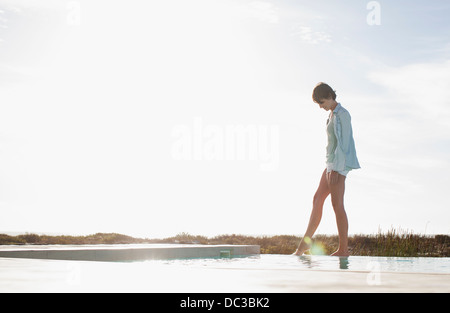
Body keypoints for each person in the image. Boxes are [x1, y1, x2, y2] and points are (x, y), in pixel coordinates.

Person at [294, 82, 361, 257]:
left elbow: (343, 145)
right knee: (317, 199)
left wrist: (336, 170)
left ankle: (343, 249)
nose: (320, 107)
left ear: (330, 96)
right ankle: (304, 245)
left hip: (340, 166)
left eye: (321, 102)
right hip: (331, 164)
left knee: (337, 205)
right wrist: (329, 167)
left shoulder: (343, 115)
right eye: (318, 104)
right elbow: (331, 145)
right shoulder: (332, 115)